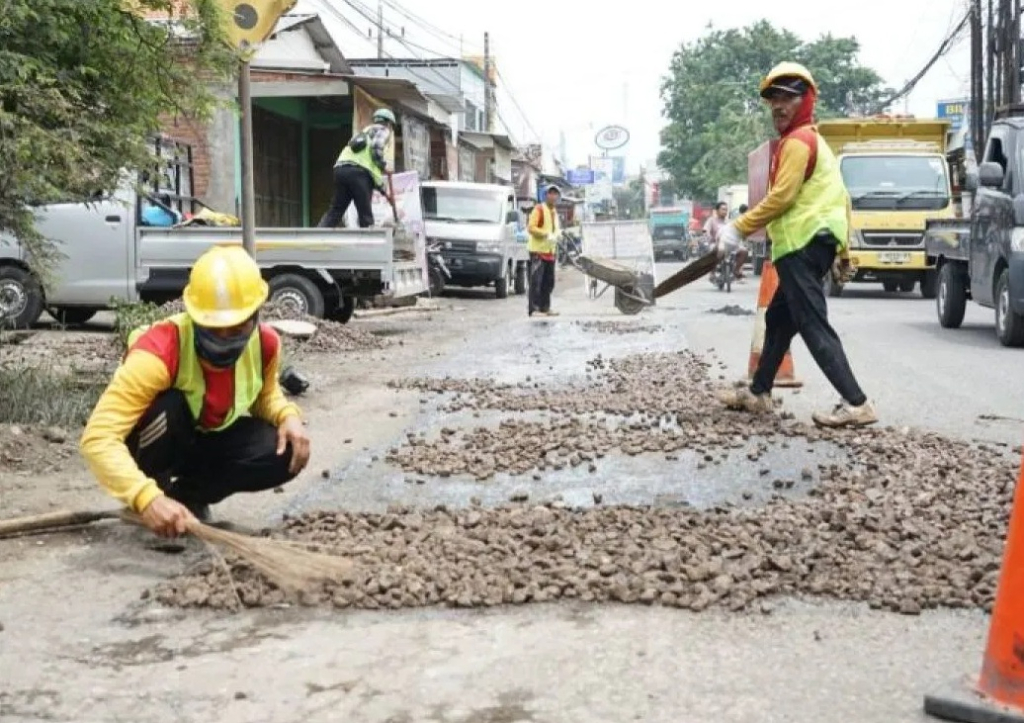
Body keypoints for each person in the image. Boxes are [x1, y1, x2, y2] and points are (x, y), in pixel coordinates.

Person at [80, 246, 312, 537]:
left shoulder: (265, 344)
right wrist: (145, 496)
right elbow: (99, 437)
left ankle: (187, 498)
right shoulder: (159, 352)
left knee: (285, 450)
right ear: (195, 316)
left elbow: (264, 395)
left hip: (204, 438)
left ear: (255, 315)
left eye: (237, 328)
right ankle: (158, 493)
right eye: (215, 329)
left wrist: (287, 415)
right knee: (170, 406)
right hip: (154, 443)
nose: (226, 339)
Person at [715, 62, 876, 428]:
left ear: (806, 100)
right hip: (806, 247)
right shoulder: (815, 142)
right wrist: (842, 250)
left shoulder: (799, 142)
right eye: (773, 100)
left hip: (802, 247)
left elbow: (782, 197)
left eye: (787, 97)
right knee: (778, 318)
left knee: (812, 322)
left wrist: (738, 228)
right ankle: (759, 393)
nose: (778, 106)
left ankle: (857, 403)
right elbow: (843, 200)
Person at [318, 107, 397, 229]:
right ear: (389, 123)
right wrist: (383, 166)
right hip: (358, 173)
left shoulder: (364, 132)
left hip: (340, 170)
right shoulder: (383, 130)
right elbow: (376, 150)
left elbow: (372, 173)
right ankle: (369, 244)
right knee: (365, 214)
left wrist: (384, 192)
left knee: (336, 209)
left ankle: (318, 236)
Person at [527, 184, 562, 317]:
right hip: (538, 252)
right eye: (550, 193)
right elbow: (531, 228)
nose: (553, 196)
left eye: (555, 194)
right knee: (536, 282)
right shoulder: (539, 209)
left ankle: (545, 307)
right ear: (545, 195)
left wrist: (557, 235)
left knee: (549, 282)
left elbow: (555, 229)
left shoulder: (554, 212)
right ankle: (534, 309)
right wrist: (545, 234)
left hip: (550, 252)